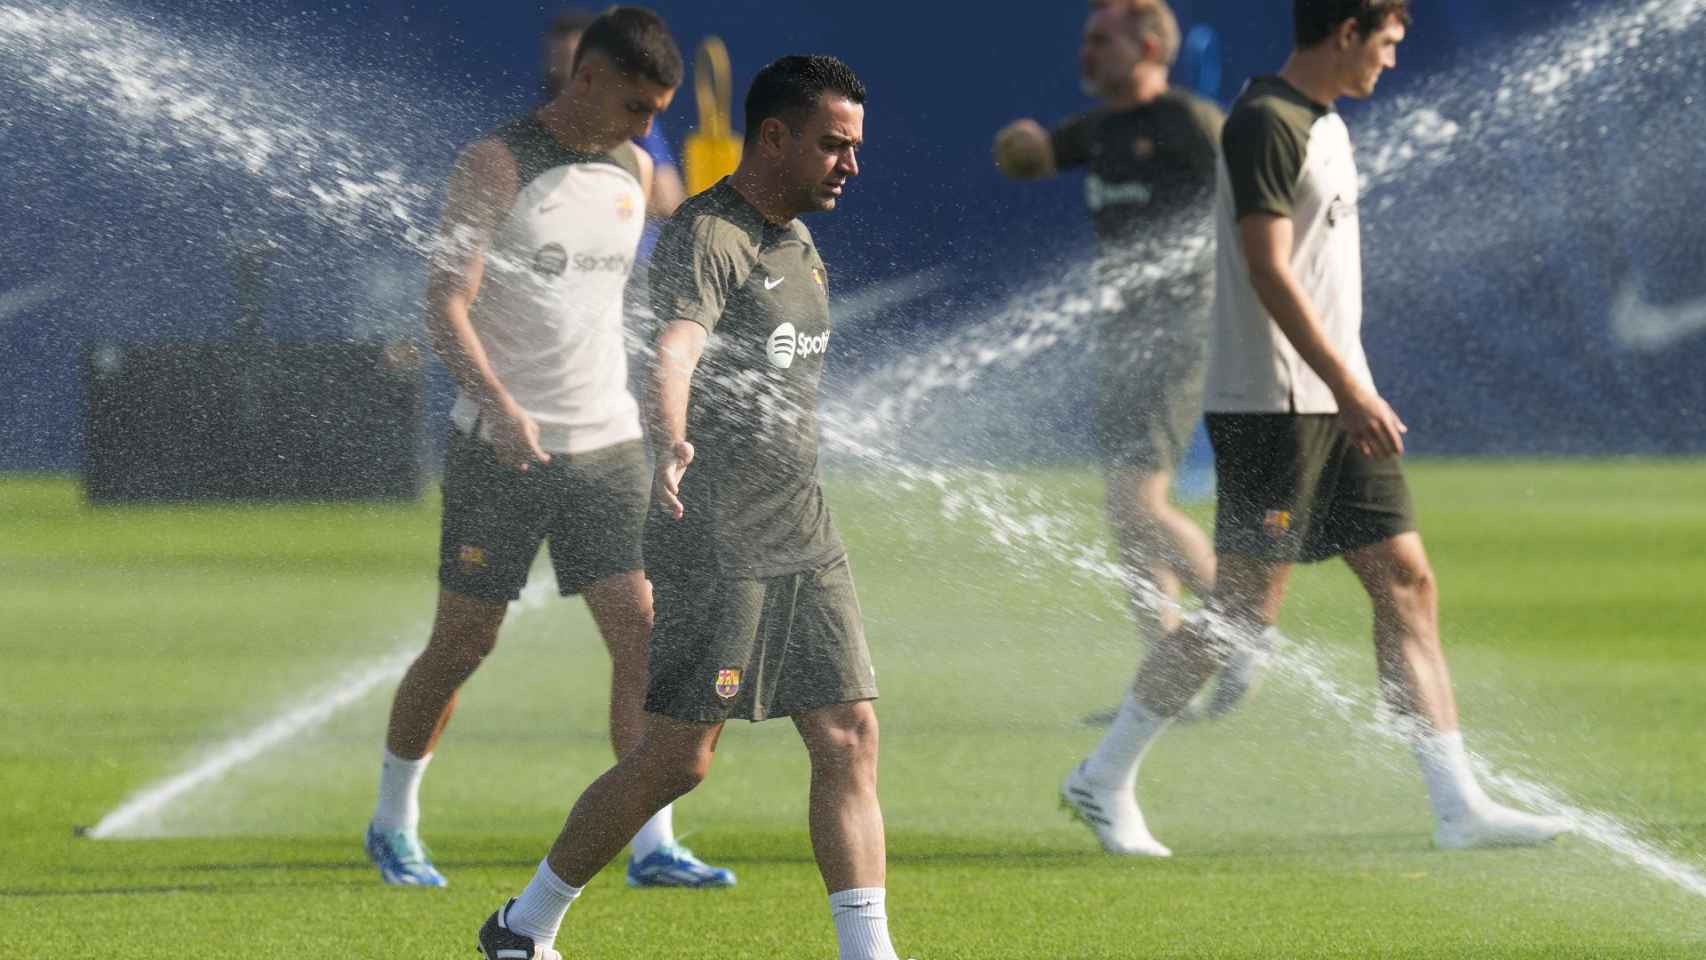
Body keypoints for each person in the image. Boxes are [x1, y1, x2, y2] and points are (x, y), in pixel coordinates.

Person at [1061, 0, 1573, 857]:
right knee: (1239, 612)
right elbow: (1266, 269)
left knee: (1406, 582)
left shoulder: (1325, 122)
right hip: (1274, 404)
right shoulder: (1265, 121)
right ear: (1346, 33)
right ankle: (1103, 777)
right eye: (1387, 42)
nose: (1392, 60)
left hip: (1336, 398)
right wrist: (1346, 386)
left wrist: (1350, 384)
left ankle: (1457, 807)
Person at [477, 56, 909, 960]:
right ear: (776, 136)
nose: (850, 166)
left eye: (856, 148)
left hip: (804, 531)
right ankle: (526, 926)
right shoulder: (706, 233)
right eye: (833, 145)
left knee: (847, 731)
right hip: (716, 539)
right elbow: (673, 347)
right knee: (679, 759)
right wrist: (670, 434)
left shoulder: (797, 242)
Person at [365, 6, 734, 891]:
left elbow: (670, 279)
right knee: (463, 644)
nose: (650, 126)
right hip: (501, 450)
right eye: (638, 105)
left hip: (607, 447)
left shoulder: (639, 167)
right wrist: (496, 403)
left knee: (643, 633)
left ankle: (650, 846)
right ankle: (393, 820)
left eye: (660, 109)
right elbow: (444, 301)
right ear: (586, 78)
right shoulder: (494, 164)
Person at [993, 1, 1228, 705]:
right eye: (1084, 41)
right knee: (1125, 514)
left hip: (1179, 334)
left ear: (1150, 46)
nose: (1085, 55)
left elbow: (1263, 202)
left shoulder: (1190, 124)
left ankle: (1244, 625)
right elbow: (1026, 162)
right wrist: (1018, 143)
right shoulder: (1098, 130)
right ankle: (1168, 678)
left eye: (1101, 42)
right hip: (1122, 341)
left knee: (1139, 501)